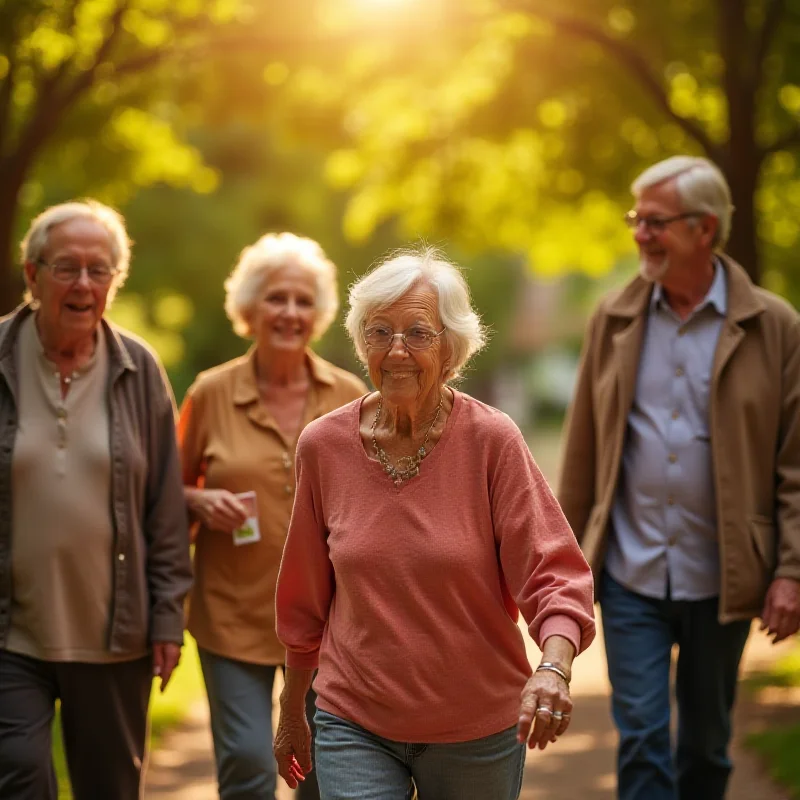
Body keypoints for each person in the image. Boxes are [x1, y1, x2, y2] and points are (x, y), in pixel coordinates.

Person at [273, 247, 596, 800]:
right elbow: (305, 597)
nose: (397, 350)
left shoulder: (491, 441)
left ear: (451, 348)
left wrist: (554, 668)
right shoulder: (324, 446)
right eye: (380, 332)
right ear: (362, 343)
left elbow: (553, 573)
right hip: (355, 718)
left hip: (476, 727)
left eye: (418, 334)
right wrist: (292, 711)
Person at [557, 155, 800, 800]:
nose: (639, 233)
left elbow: (794, 464)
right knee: (641, 737)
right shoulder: (613, 318)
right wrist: (562, 565)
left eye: (655, 222)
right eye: (637, 218)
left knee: (704, 746)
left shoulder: (774, 326)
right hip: (629, 572)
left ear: (704, 228)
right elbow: (582, 453)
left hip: (723, 574)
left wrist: (791, 569)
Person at [0, 200, 192, 800]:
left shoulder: (138, 367)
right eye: (66, 268)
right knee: (19, 773)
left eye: (99, 269)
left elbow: (164, 502)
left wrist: (167, 615)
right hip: (11, 633)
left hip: (116, 634)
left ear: (114, 281)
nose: (84, 283)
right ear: (32, 276)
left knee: (109, 787)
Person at [178, 232, 367, 800]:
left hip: (329, 624)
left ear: (320, 313)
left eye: (303, 300)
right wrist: (195, 500)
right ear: (249, 308)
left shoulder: (349, 395)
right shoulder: (211, 393)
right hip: (232, 616)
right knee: (246, 766)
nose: (289, 312)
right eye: (276, 298)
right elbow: (163, 491)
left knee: (323, 772)